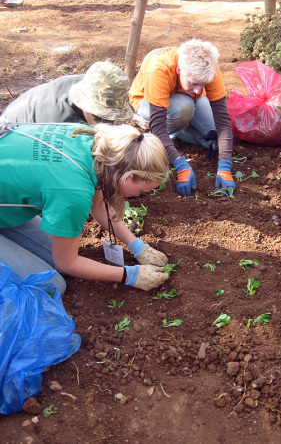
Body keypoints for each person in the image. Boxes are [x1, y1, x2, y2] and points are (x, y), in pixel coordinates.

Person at [0, 119, 170, 294]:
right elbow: (66, 263)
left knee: (53, 253)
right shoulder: (73, 193)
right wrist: (129, 275)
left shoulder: (91, 141)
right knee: (52, 284)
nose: (138, 196)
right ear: (128, 177)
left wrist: (137, 246)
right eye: (142, 190)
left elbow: (98, 204)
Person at [129, 38, 236, 197]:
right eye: (193, 83)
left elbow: (223, 122)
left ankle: (174, 134)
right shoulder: (159, 69)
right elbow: (158, 126)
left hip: (188, 102)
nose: (198, 89)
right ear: (179, 69)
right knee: (184, 107)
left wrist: (225, 165)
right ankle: (162, 140)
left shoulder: (209, 69)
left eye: (203, 85)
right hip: (147, 102)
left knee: (213, 139)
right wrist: (179, 164)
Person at [1, 61, 133, 125]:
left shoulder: (95, 81)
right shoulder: (60, 120)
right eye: (100, 116)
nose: (106, 123)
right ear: (84, 103)